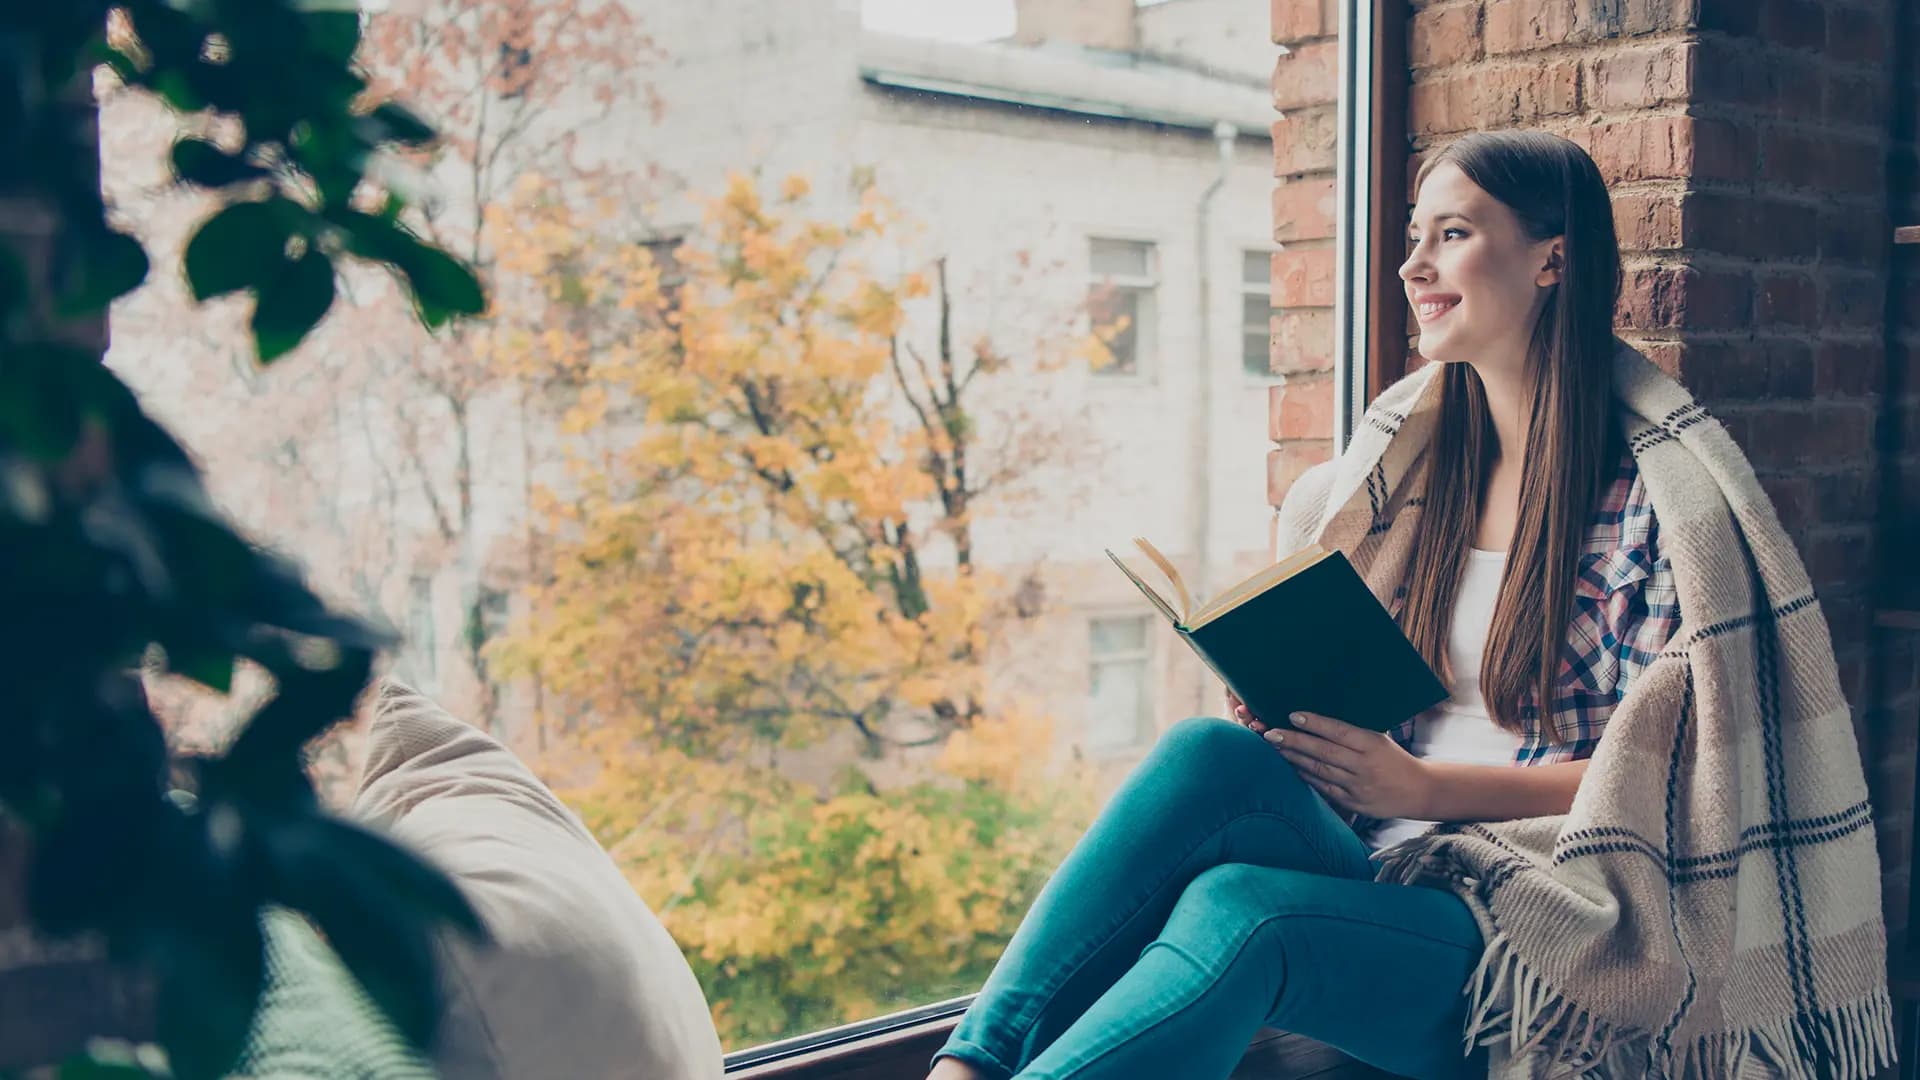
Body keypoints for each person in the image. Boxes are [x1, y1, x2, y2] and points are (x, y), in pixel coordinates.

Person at [926, 130, 1893, 1080]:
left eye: (1453, 235)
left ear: (1552, 258)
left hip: (1531, 914)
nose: (1412, 267)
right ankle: (970, 1064)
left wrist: (1424, 791)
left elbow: (1677, 787)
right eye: (1414, 236)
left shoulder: (1652, 504)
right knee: (1205, 754)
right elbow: (1388, 719)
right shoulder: (1417, 473)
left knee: (1242, 909)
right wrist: (1304, 723)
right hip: (1385, 859)